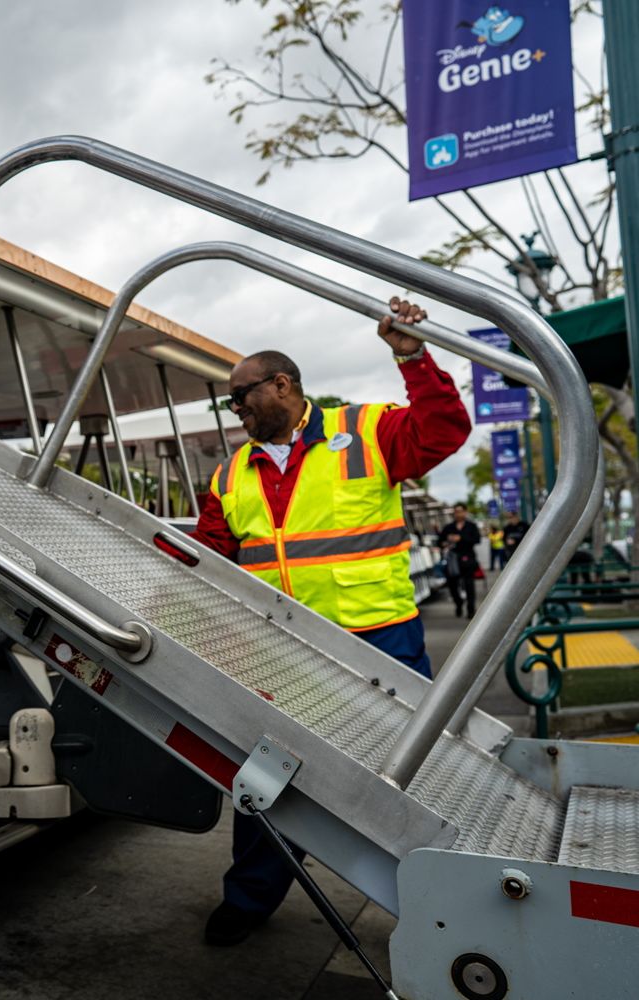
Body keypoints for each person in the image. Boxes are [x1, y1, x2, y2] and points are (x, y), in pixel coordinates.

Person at [192, 297, 471, 946]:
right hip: (282, 654)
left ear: (282, 384)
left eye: (241, 398)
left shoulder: (366, 432)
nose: (236, 411)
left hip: (380, 644)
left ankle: (444, 902)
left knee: (405, 782)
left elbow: (444, 430)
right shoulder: (231, 473)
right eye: (230, 404)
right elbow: (209, 558)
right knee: (264, 781)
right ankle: (250, 897)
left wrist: (412, 355)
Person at [438, 504, 481, 618]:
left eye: (460, 511)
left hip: (467, 558)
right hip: (453, 559)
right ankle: (458, 602)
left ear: (465, 512)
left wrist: (461, 538)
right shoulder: (449, 527)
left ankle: (471, 608)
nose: (458, 514)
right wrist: (446, 542)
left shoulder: (471, 526)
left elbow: (476, 539)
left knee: (469, 584)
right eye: (456, 511)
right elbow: (440, 541)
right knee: (452, 584)